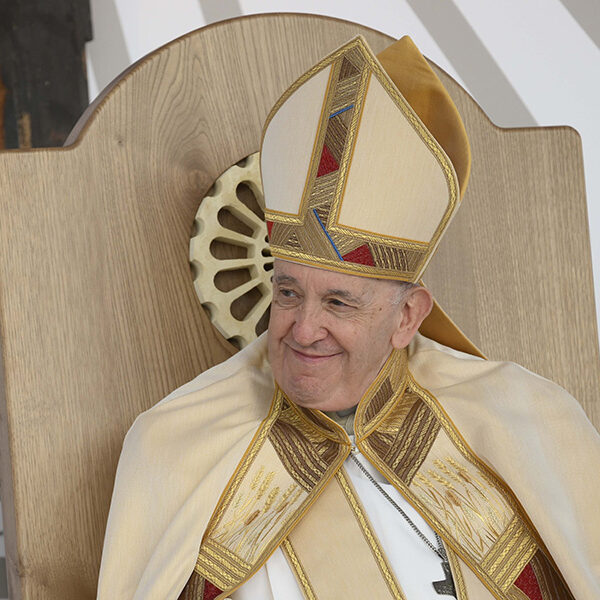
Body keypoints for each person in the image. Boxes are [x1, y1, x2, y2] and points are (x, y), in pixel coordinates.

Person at [96, 35, 600, 600]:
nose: (304, 329)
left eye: (338, 302)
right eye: (288, 293)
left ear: (408, 316)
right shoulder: (174, 444)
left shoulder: (524, 418)